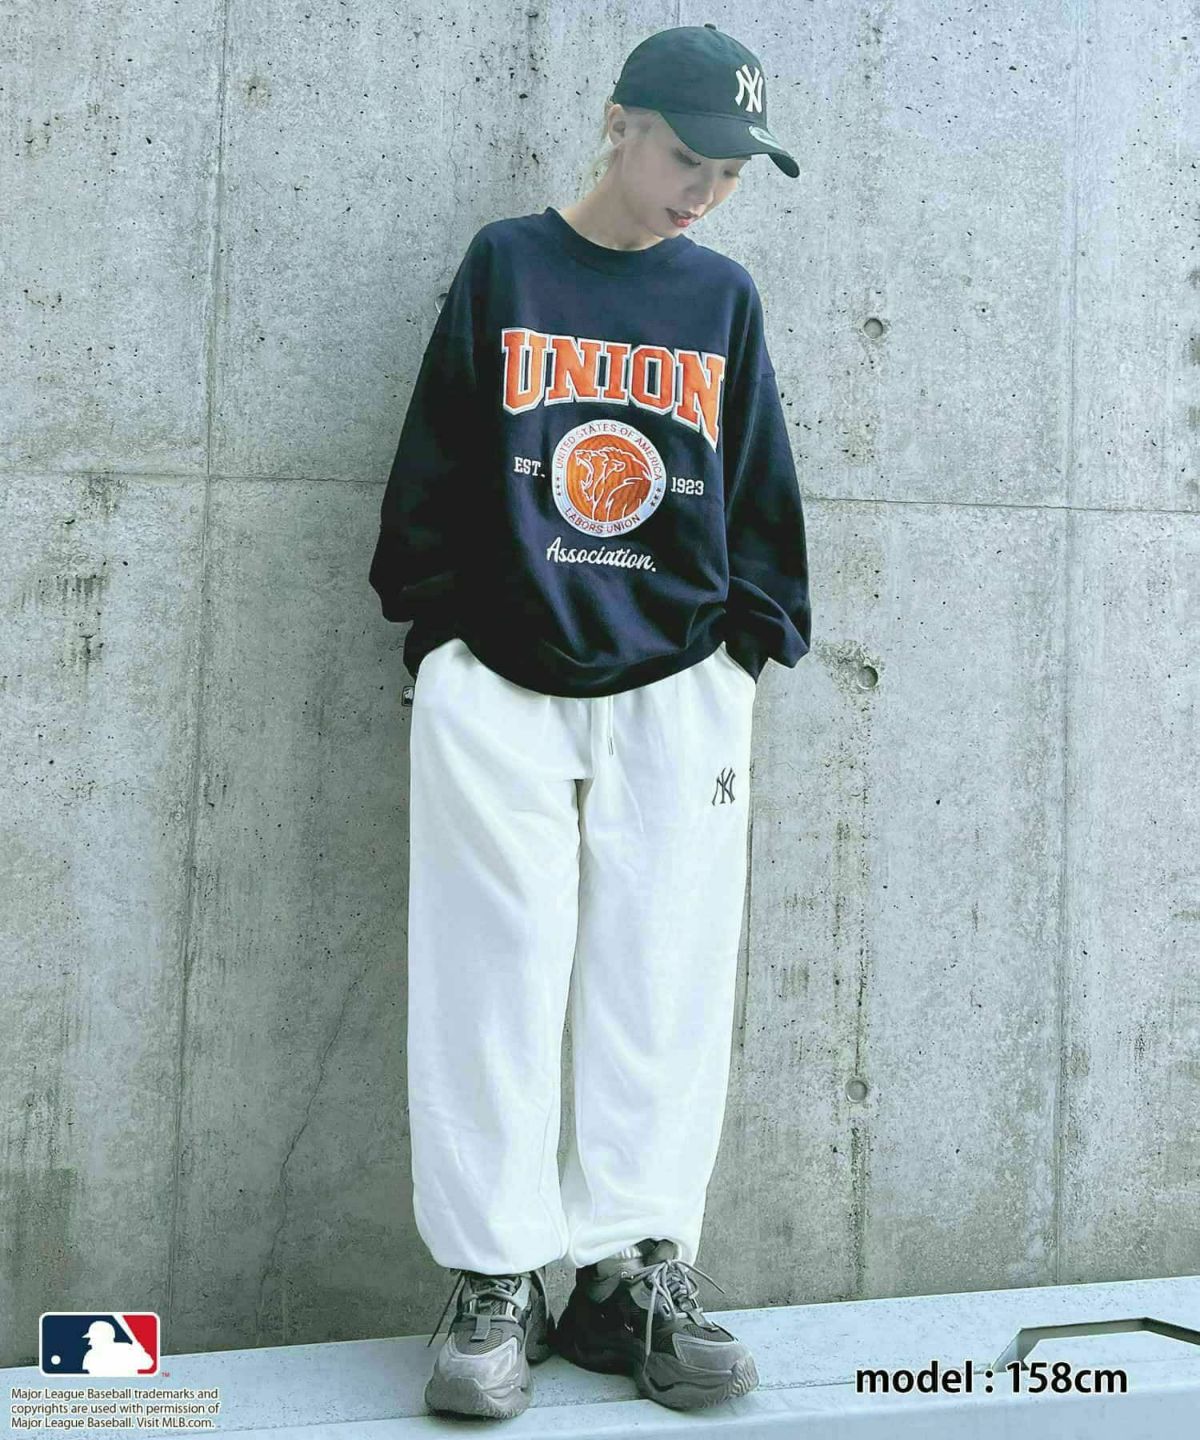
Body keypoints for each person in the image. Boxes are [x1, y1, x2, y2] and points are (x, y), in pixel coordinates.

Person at [368, 22, 810, 1422]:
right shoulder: (509, 264)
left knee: (665, 977)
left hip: (677, 686)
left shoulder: (720, 296)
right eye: (686, 158)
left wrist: (743, 654)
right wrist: (441, 638)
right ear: (618, 124)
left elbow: (759, 488)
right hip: (500, 678)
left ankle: (630, 1275)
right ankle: (497, 1281)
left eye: (729, 173)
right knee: (487, 978)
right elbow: (437, 457)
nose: (703, 192)